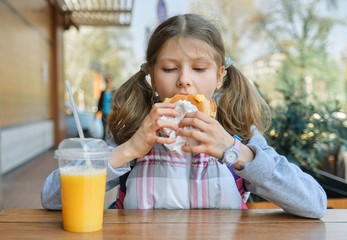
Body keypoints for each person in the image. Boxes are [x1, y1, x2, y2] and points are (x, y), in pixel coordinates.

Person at [41, 14, 327, 218]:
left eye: (199, 69)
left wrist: (236, 152)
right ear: (151, 76)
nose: (184, 81)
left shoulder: (239, 135)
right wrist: (128, 150)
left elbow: (314, 203)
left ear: (219, 77)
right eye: (169, 69)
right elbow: (52, 198)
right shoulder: (132, 132)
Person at [96, 75, 114, 140]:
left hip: (112, 114)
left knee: (111, 130)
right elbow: (99, 102)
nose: (108, 83)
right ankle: (104, 143)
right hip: (104, 113)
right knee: (104, 130)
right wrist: (96, 113)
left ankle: (111, 143)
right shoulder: (103, 92)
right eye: (107, 81)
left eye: (109, 81)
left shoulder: (114, 92)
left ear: (111, 82)